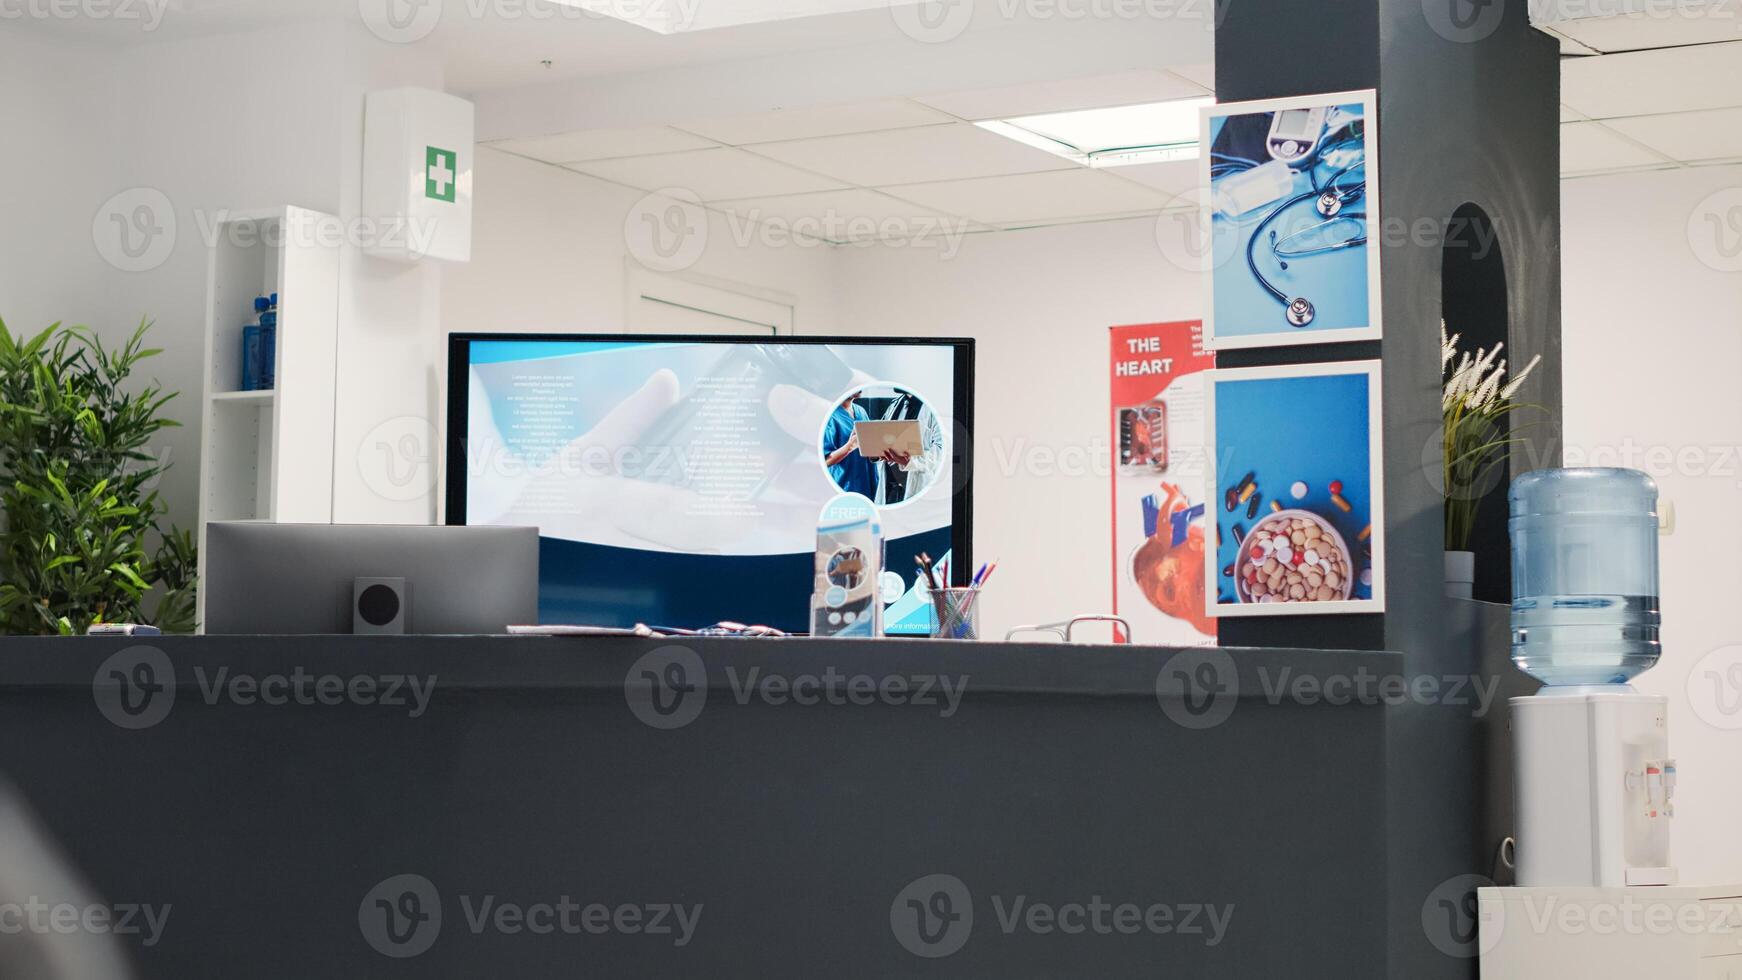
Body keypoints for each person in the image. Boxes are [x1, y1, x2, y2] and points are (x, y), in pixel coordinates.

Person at [822, 392, 876, 497]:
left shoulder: (861, 411)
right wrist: (850, 446)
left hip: (868, 482)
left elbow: (869, 446)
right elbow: (825, 461)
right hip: (845, 484)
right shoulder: (830, 416)